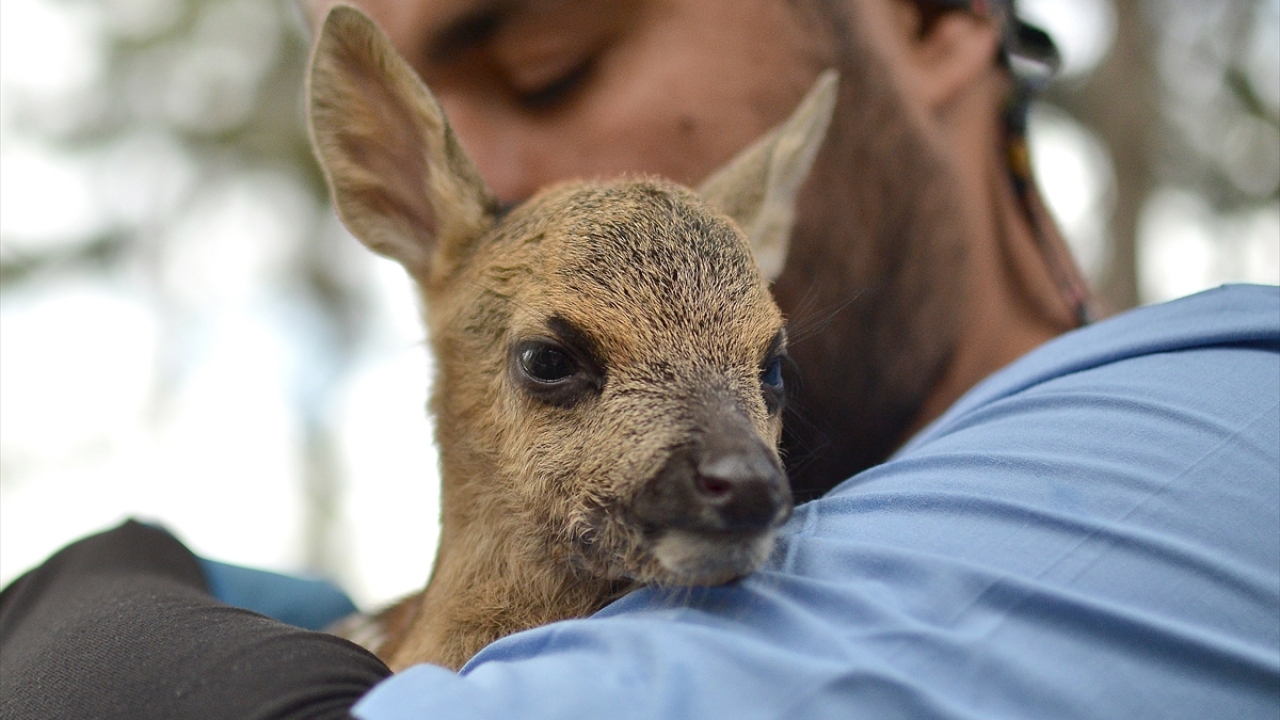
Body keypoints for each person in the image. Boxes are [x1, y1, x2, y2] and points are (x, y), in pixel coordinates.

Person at [1, 2, 1276, 719]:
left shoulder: (1227, 438)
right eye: (559, 363)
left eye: (550, 67)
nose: (501, 178)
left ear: (932, 16)